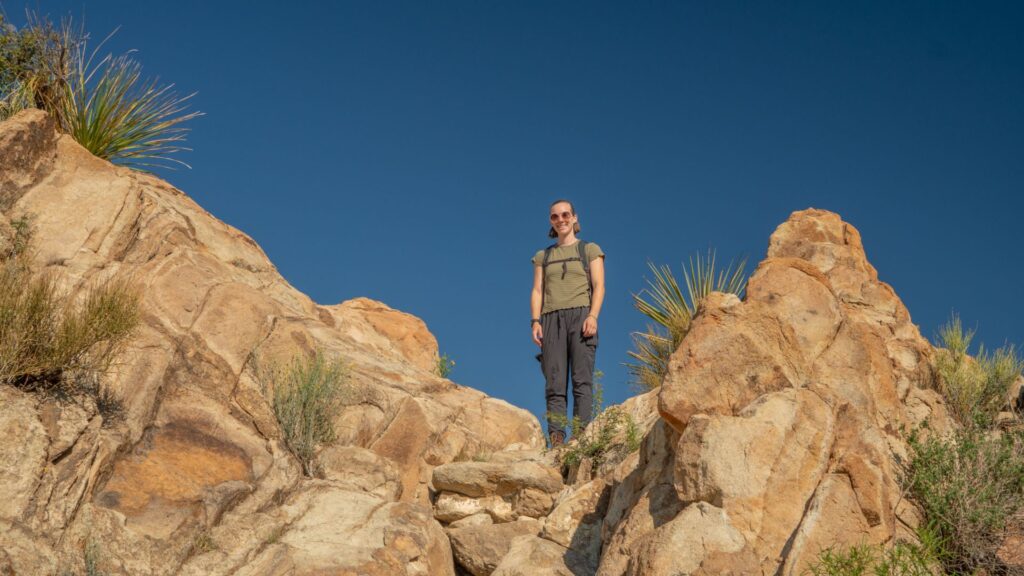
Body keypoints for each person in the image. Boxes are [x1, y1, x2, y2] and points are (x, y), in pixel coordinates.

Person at [531, 199, 605, 447]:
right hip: (551, 319)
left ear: (574, 217)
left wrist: (593, 316)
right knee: (555, 380)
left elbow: (599, 286)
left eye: (565, 215)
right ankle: (557, 438)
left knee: (582, 379)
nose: (560, 220)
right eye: (555, 217)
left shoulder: (589, 250)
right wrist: (535, 321)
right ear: (551, 221)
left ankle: (580, 435)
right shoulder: (544, 255)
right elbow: (538, 290)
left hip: (581, 315)